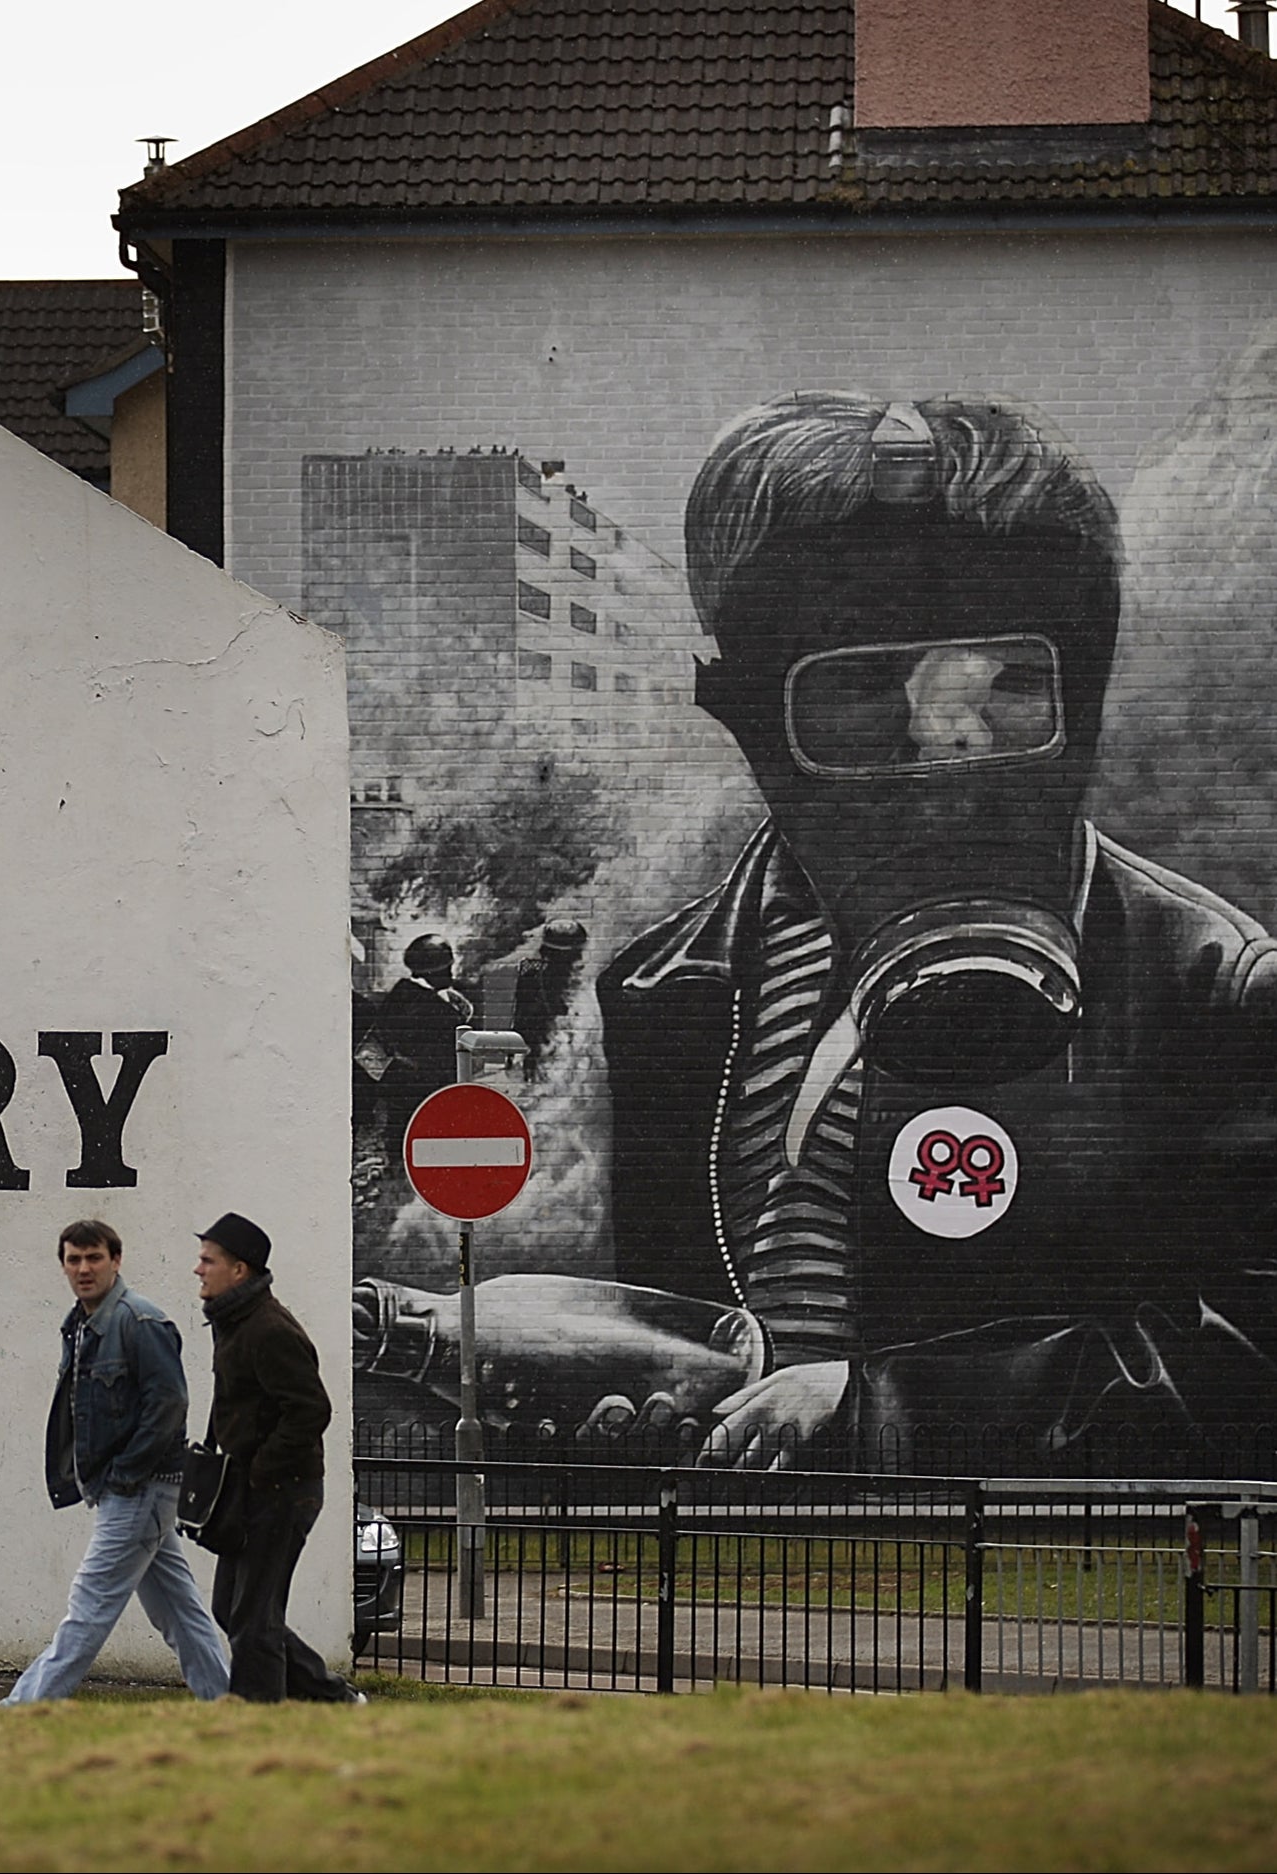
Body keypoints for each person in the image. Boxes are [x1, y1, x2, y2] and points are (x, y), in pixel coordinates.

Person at [359, 392, 1277, 1476]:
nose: (948, 755)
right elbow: (686, 1340)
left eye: (1011, 684)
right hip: (732, 1590)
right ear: (740, 712)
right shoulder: (665, 994)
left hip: (1008, 1574)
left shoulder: (1211, 988)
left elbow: (1252, 1353)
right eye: (858, 692)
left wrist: (890, 1409)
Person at [0, 1219, 229, 1705]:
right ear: (63, 1265)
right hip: (132, 1491)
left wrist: (123, 1476)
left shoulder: (140, 1322)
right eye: (74, 1259)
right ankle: (228, 1702)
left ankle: (20, 1711)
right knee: (180, 1612)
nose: (84, 1269)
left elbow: (170, 1405)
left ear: (116, 1260)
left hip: (140, 1489)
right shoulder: (81, 1326)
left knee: (88, 1608)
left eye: (94, 1258)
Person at [194, 1212, 362, 1704]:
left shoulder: (267, 1329)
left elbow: (311, 1410)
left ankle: (257, 1722)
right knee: (232, 1609)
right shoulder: (234, 1322)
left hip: (281, 1490)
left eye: (208, 1260)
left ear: (239, 1270)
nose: (198, 1269)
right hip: (249, 1488)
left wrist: (263, 1471)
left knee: (254, 1617)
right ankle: (335, 1700)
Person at [373, 933, 475, 1129]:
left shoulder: (400, 995)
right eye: (447, 969)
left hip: (402, 1093)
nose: (451, 975)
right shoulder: (435, 1010)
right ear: (431, 972)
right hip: (427, 1094)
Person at [511, 919, 588, 1077]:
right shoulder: (545, 977)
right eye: (576, 952)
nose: (580, 957)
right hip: (547, 1050)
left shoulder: (532, 968)